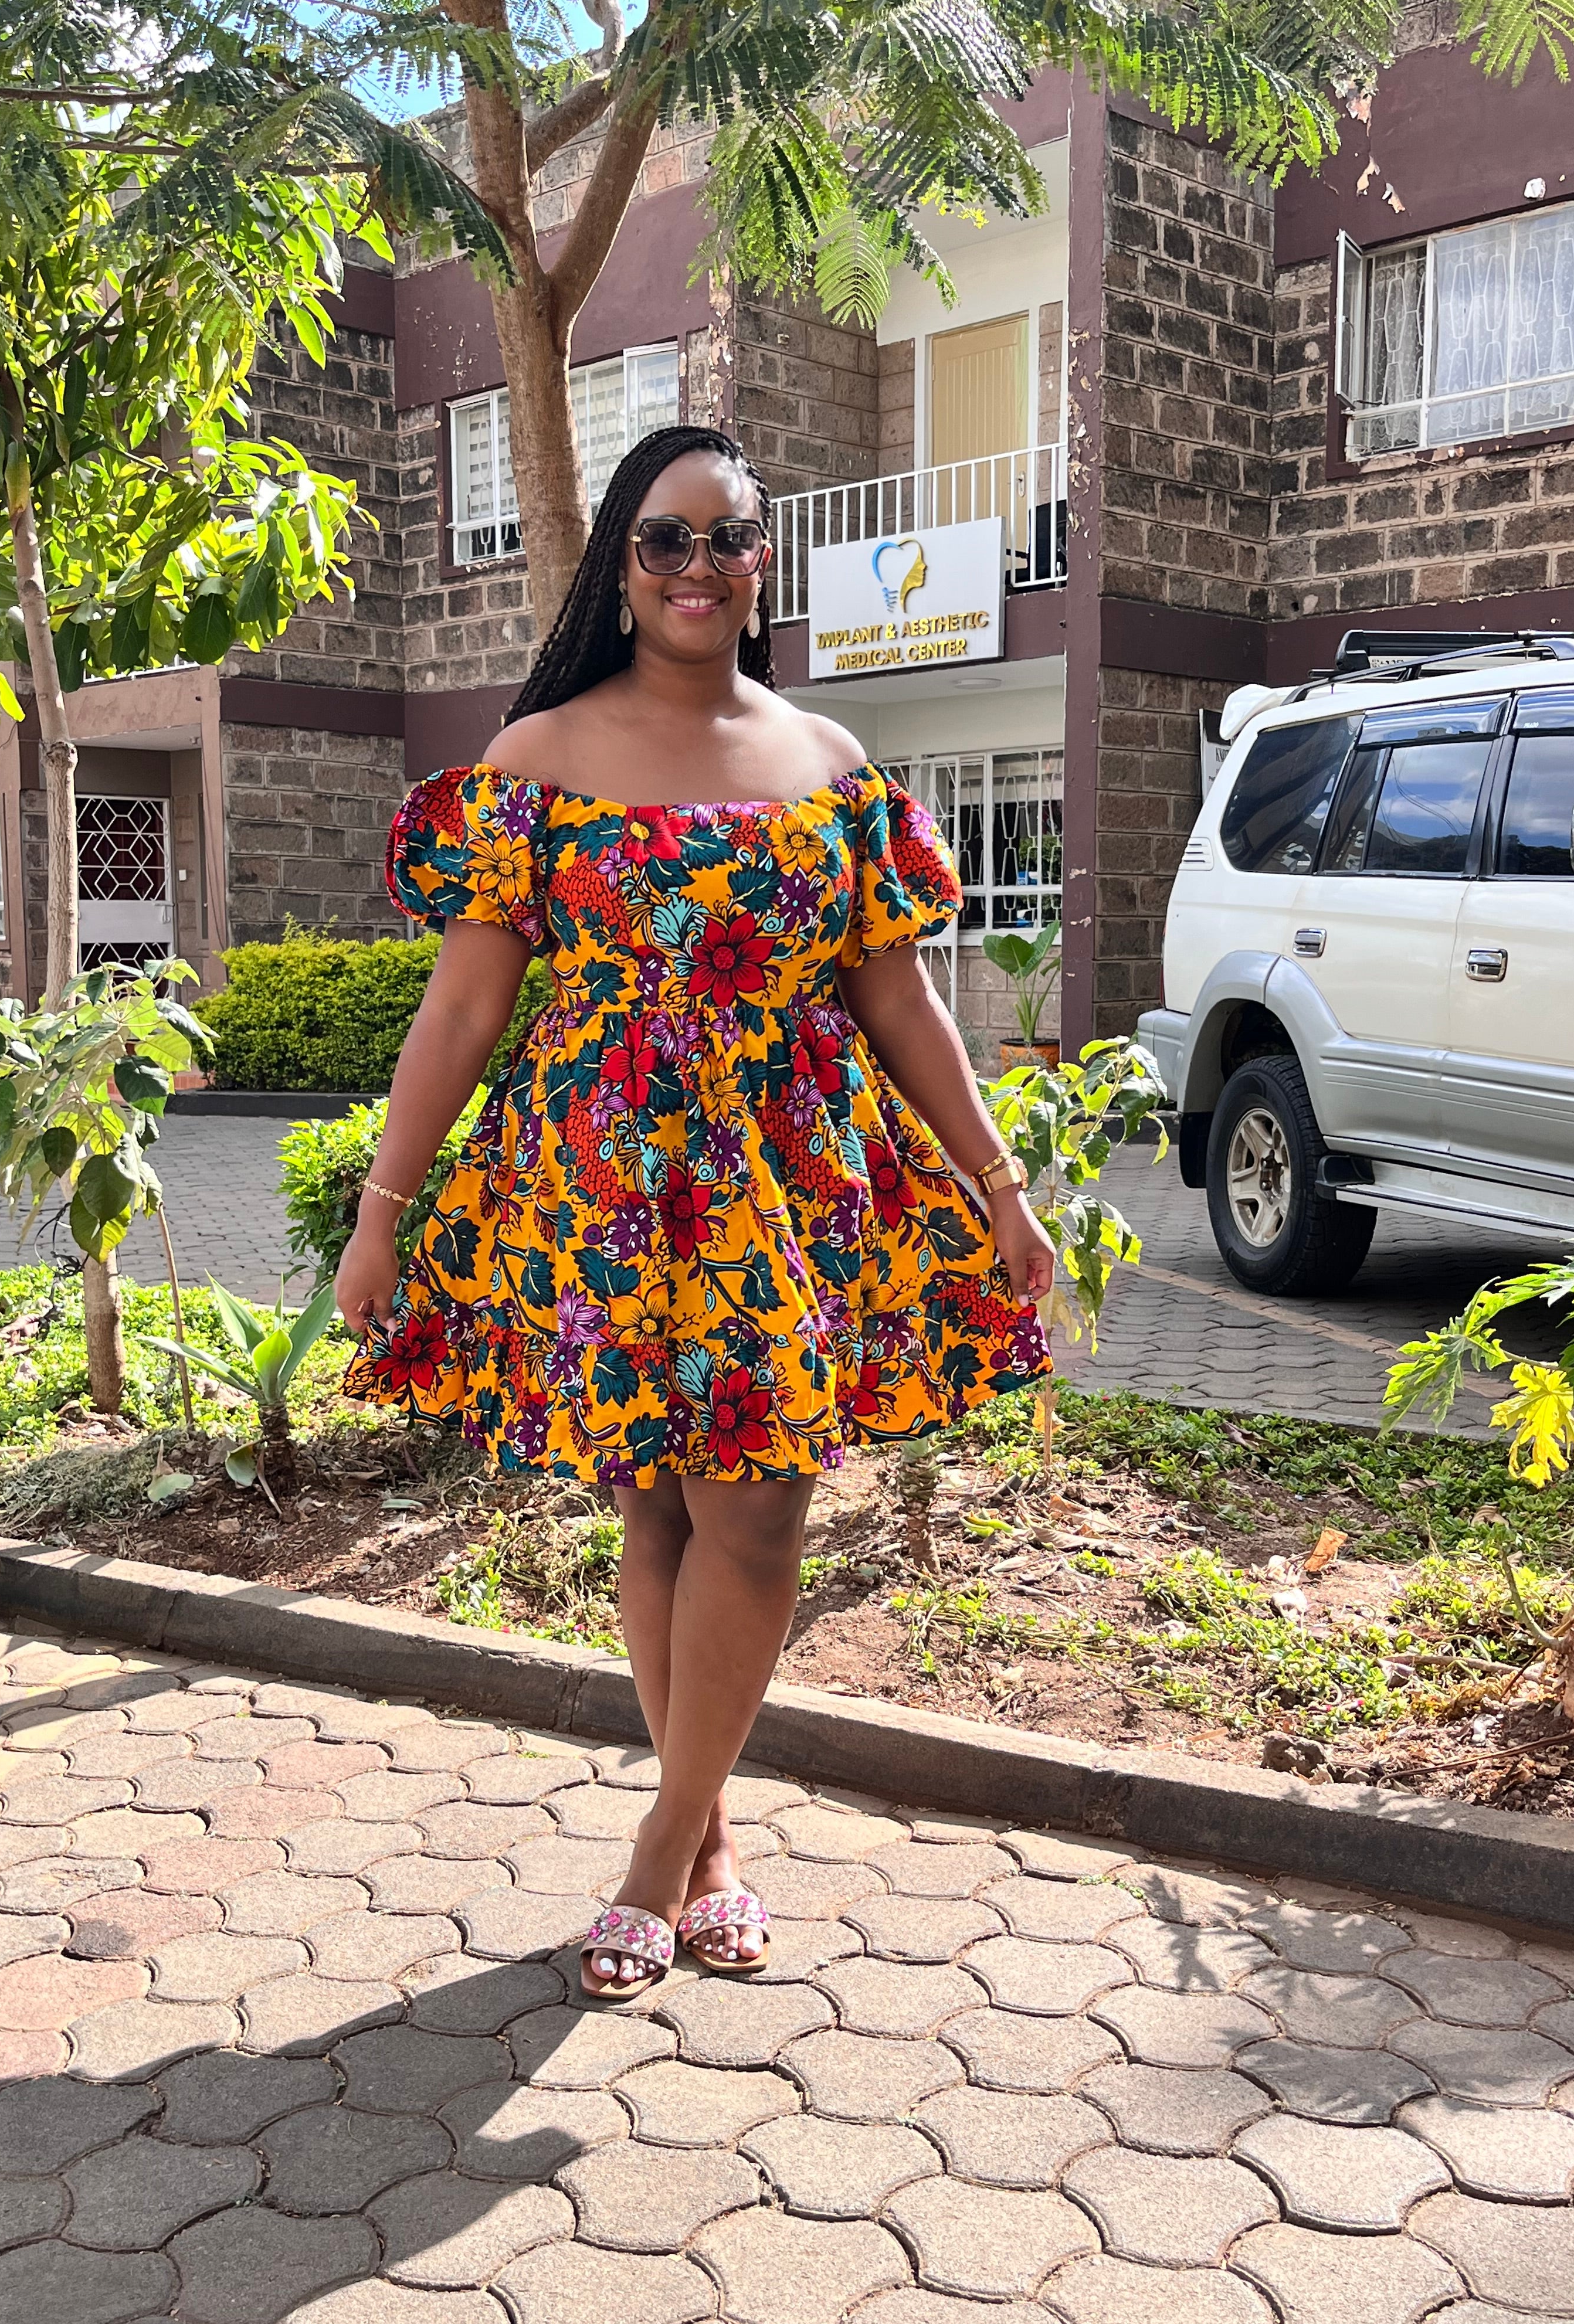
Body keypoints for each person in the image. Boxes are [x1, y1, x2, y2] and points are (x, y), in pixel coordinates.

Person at [335, 423, 1055, 2000]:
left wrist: (1001, 1186)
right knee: (657, 1508)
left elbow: (900, 1002)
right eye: (667, 537)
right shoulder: (537, 762)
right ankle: (712, 1842)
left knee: (762, 1507)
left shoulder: (831, 767)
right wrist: (382, 1213)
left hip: (784, 1191)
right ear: (622, 562)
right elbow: (461, 1013)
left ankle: (658, 1851)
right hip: (604, 1191)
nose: (700, 566)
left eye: (730, 537)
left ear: (762, 564)